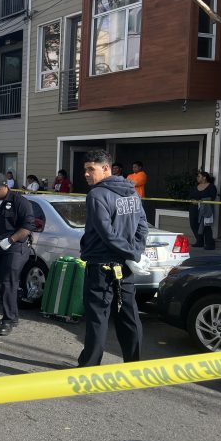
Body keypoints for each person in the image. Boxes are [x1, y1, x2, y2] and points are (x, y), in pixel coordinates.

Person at [78, 149, 149, 367]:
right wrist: (134, 254)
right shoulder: (131, 192)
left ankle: (89, 367)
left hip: (100, 266)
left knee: (98, 318)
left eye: (91, 169)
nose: (87, 174)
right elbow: (142, 227)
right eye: (85, 170)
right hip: (124, 266)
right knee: (128, 316)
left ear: (106, 168)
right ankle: (134, 364)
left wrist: (132, 253)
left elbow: (106, 233)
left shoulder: (97, 195)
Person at [0, 172, 35, 335]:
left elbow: (27, 227)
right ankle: (11, 316)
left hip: (15, 247)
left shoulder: (20, 202)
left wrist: (10, 240)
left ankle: (8, 320)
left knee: (8, 282)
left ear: (6, 186)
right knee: (1, 282)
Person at [188, 170, 217, 249]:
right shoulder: (195, 186)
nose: (197, 178)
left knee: (206, 225)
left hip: (205, 208)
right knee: (193, 224)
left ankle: (209, 244)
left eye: (199, 176)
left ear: (204, 177)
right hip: (194, 208)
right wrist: (192, 200)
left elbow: (212, 197)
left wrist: (201, 201)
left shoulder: (211, 186)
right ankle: (199, 241)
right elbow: (190, 196)